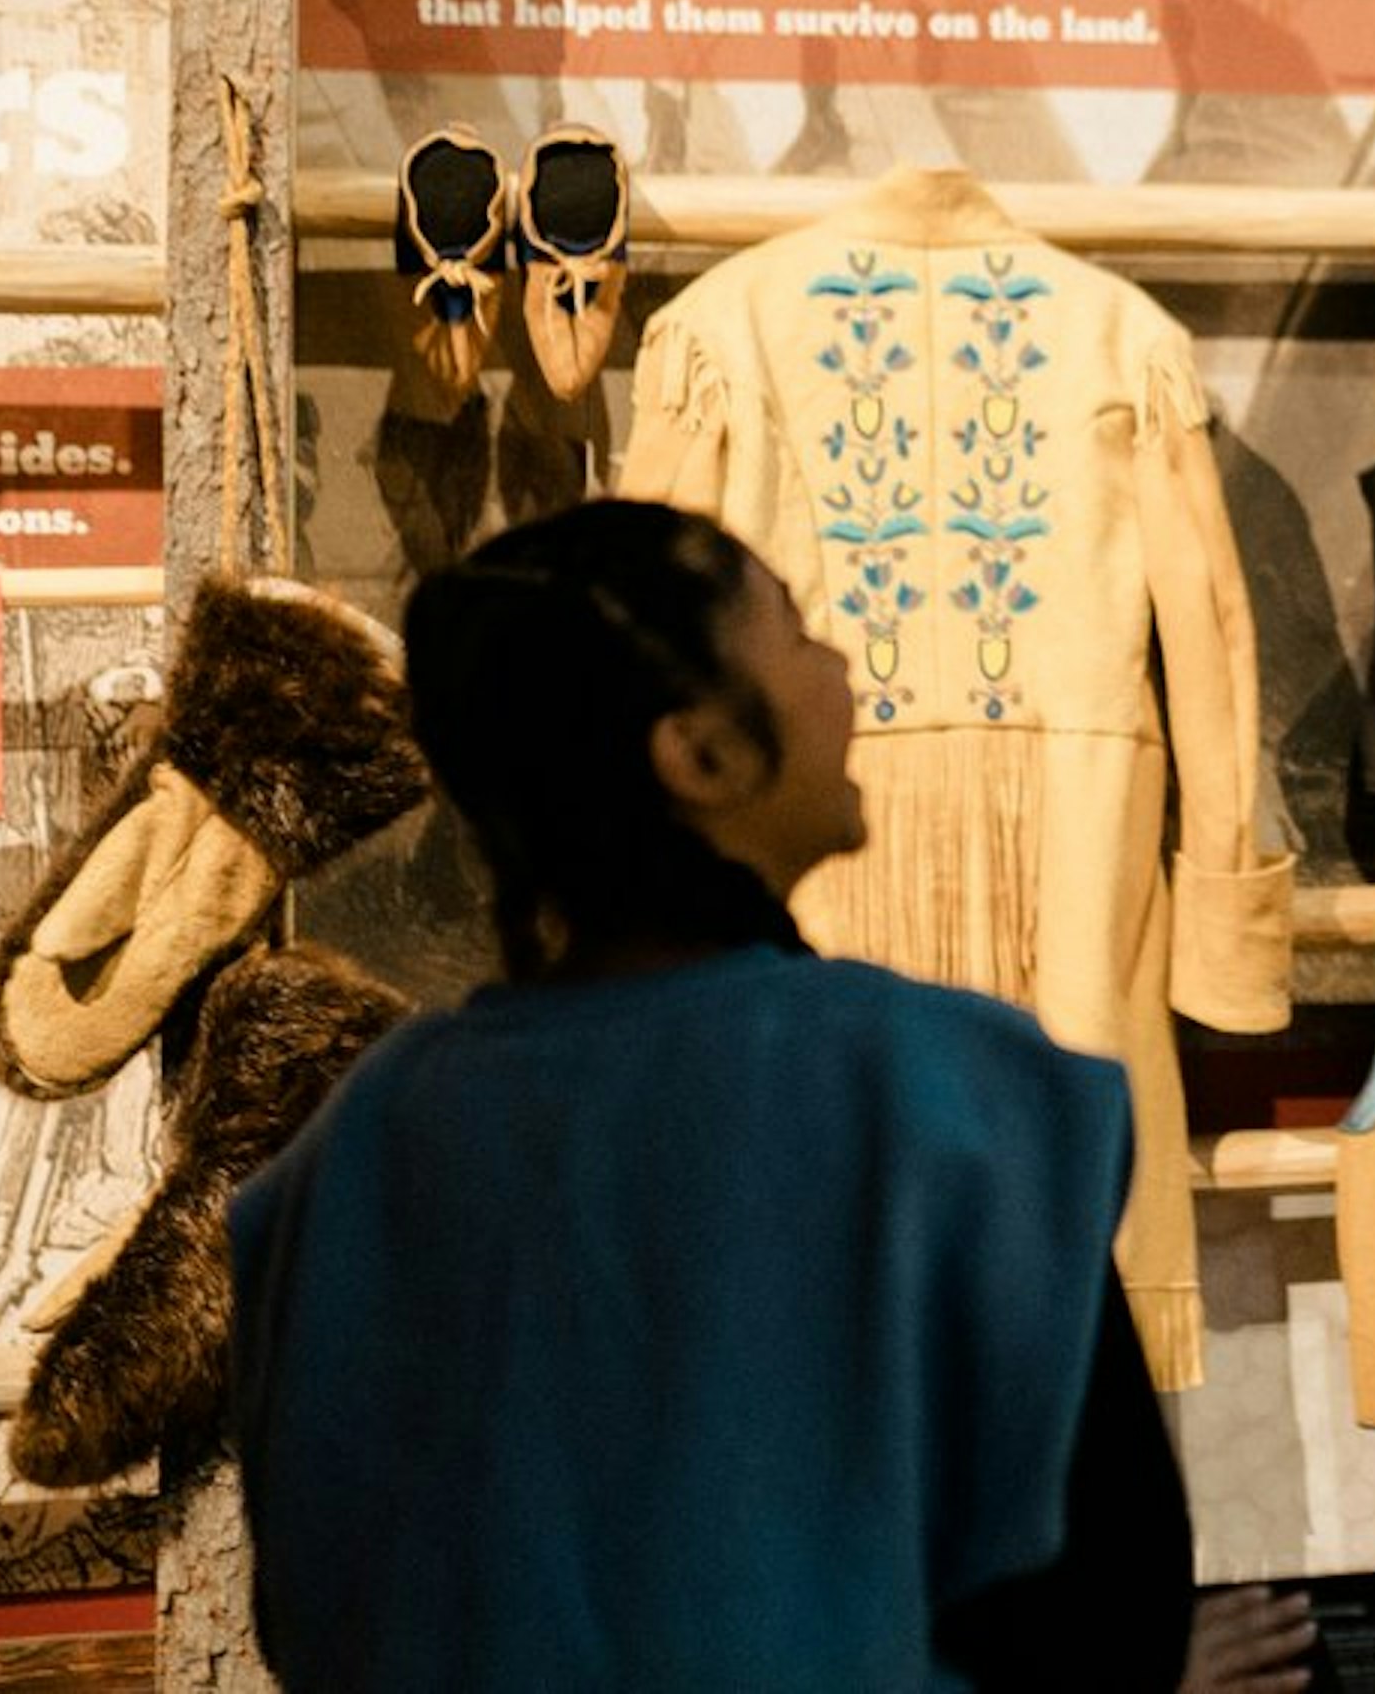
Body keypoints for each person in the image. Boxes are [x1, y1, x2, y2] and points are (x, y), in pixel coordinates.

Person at [224, 500, 1195, 1692]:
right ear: (701, 754)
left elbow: (310, 1606)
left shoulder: (360, 1136)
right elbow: (1104, 1627)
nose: (841, 666)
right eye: (794, 632)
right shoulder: (951, 1095)